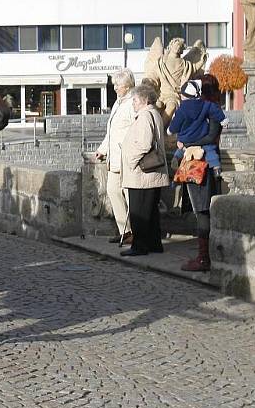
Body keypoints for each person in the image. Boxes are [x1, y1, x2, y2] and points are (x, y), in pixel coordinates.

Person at [175, 74, 225, 272]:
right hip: (199, 163)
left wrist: (185, 143)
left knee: (203, 210)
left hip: (202, 165)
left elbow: (211, 137)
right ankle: (204, 255)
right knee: (201, 210)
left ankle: (204, 257)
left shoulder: (210, 111)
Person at [120, 83, 170, 257]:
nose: (133, 103)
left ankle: (139, 246)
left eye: (134, 99)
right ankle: (154, 244)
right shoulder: (154, 113)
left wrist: (131, 161)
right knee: (151, 211)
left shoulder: (145, 116)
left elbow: (143, 143)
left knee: (139, 211)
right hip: (151, 174)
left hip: (142, 174)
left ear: (144, 99)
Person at [95, 69, 137, 245]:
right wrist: (102, 149)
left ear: (127, 86)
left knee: (129, 195)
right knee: (112, 190)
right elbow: (111, 132)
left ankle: (136, 232)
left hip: (126, 157)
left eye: (117, 85)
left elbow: (136, 129)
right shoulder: (118, 103)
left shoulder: (132, 103)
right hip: (114, 157)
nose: (115, 88)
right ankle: (125, 231)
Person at [168, 79, 226, 178]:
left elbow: (176, 123)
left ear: (185, 95)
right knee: (210, 149)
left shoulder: (182, 109)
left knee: (181, 149)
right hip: (202, 135)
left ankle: (176, 158)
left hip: (185, 138)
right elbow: (216, 111)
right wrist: (223, 120)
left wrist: (170, 130)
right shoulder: (206, 104)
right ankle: (216, 167)